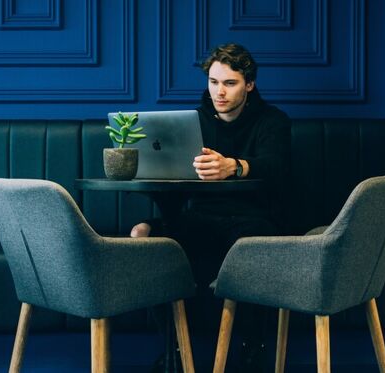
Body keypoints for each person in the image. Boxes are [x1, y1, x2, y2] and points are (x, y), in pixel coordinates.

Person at [132, 43, 291, 372]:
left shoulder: (272, 121)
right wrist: (152, 223)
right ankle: (175, 345)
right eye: (214, 82)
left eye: (230, 83)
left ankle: (252, 345)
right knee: (147, 240)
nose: (220, 92)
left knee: (253, 244)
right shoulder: (193, 122)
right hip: (203, 218)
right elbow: (173, 180)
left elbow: (277, 168)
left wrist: (233, 166)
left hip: (254, 218)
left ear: (249, 84)